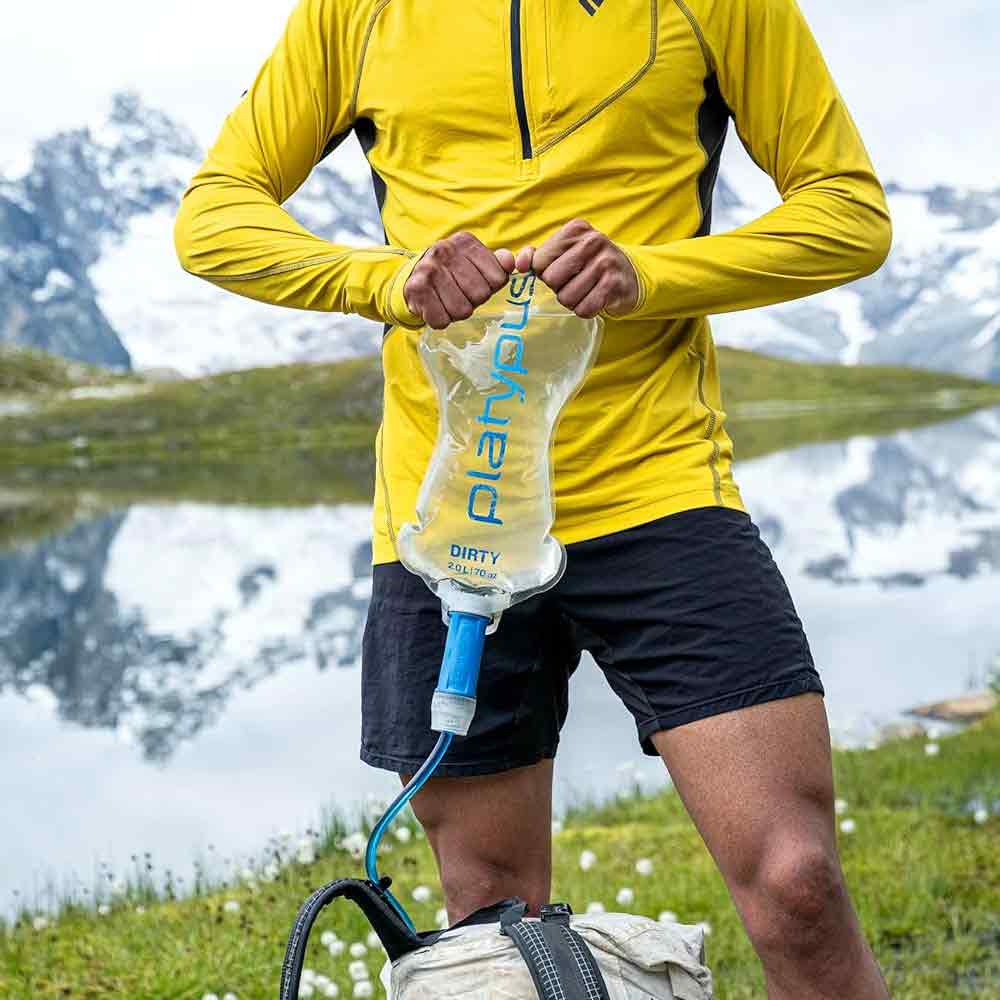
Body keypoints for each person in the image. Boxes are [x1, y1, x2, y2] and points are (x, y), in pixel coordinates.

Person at [174, 0, 893, 996]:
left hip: (659, 486)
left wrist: (652, 272)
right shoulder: (355, 12)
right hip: (451, 518)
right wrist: (390, 279)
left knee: (796, 881)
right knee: (492, 930)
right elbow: (213, 213)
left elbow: (848, 213)